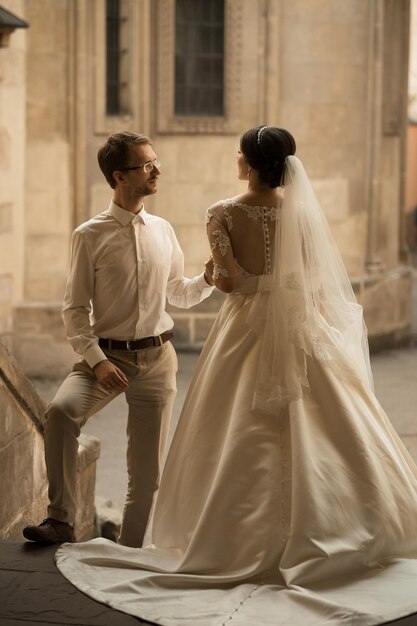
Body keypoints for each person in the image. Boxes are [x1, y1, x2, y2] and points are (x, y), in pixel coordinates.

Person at [56, 126, 417, 626]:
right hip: (298, 325)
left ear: (248, 161)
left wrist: (229, 276)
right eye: (147, 163)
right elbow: (310, 276)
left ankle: (217, 540)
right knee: (327, 421)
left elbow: (228, 283)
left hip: (244, 328)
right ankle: (343, 532)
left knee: (232, 429)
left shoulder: (222, 212)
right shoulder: (301, 211)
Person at [23, 131, 214, 547]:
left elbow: (177, 291)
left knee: (146, 476)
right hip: (106, 358)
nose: (157, 170)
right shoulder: (88, 236)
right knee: (61, 413)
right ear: (119, 176)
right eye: (147, 165)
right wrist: (97, 361)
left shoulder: (163, 230)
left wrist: (207, 280)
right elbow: (74, 310)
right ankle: (60, 520)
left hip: (158, 359)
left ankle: (128, 554)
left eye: (155, 161)